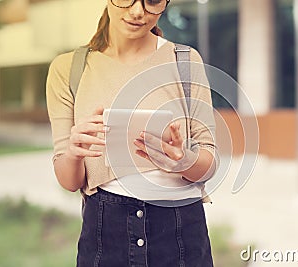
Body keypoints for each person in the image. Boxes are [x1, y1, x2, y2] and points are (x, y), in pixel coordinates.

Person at [46, 0, 218, 266]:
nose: (138, 11)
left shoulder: (184, 60)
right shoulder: (69, 69)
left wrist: (184, 161)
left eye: (152, 1)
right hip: (106, 228)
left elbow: (208, 165)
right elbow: (69, 181)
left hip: (181, 228)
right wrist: (73, 152)